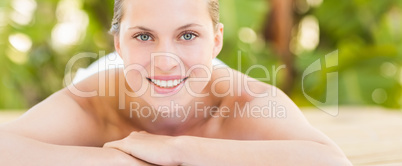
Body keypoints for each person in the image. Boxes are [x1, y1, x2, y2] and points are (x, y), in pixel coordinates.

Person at [0, 0, 351, 165]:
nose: (165, 59)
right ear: (119, 43)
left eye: (187, 35)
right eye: (143, 36)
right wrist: (124, 161)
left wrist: (180, 149)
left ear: (216, 41)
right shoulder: (90, 99)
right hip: (124, 76)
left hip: (190, 75)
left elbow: (331, 162)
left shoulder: (246, 99)